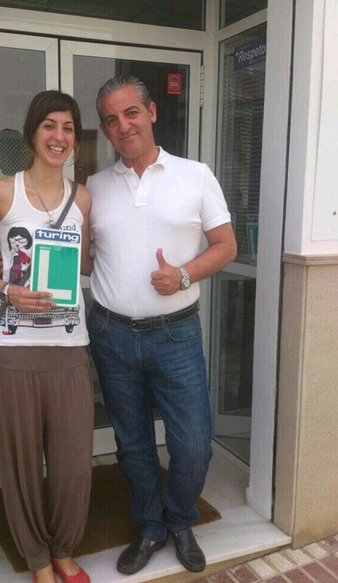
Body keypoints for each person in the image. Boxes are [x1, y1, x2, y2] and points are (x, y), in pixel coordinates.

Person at [86, 74, 237, 575]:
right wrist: (20, 266)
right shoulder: (94, 188)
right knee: (132, 444)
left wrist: (184, 274)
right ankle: (150, 526)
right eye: (111, 119)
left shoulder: (195, 175)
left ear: (151, 113)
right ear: (105, 129)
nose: (123, 125)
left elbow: (226, 246)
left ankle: (180, 519)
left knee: (192, 444)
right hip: (111, 335)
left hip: (176, 335)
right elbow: (84, 260)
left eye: (131, 112)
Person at [0, 90, 94, 583]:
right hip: (12, 351)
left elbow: (84, 264)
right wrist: (6, 286)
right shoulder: (1, 192)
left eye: (68, 128)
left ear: (75, 139)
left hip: (69, 348)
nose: (59, 137)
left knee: (73, 464)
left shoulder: (82, 198)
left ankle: (64, 548)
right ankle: (38, 559)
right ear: (32, 133)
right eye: (50, 126)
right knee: (20, 465)